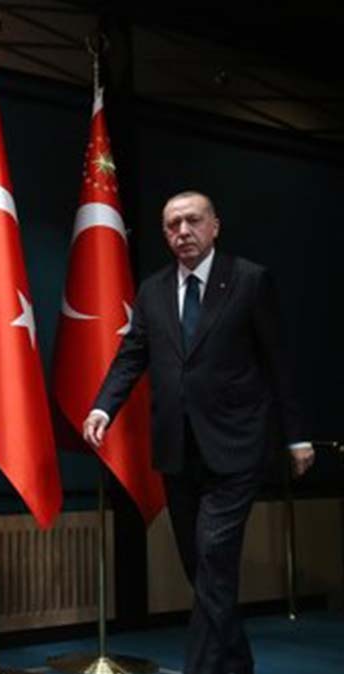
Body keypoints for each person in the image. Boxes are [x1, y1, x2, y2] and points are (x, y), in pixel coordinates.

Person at [82, 191, 314, 674]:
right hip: (176, 450)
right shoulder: (153, 290)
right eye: (172, 225)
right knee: (201, 565)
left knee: (212, 556)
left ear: (214, 226)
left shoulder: (249, 280)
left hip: (236, 447)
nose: (183, 231)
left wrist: (296, 436)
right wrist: (104, 406)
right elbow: (132, 355)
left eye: (192, 221)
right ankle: (236, 664)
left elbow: (278, 363)